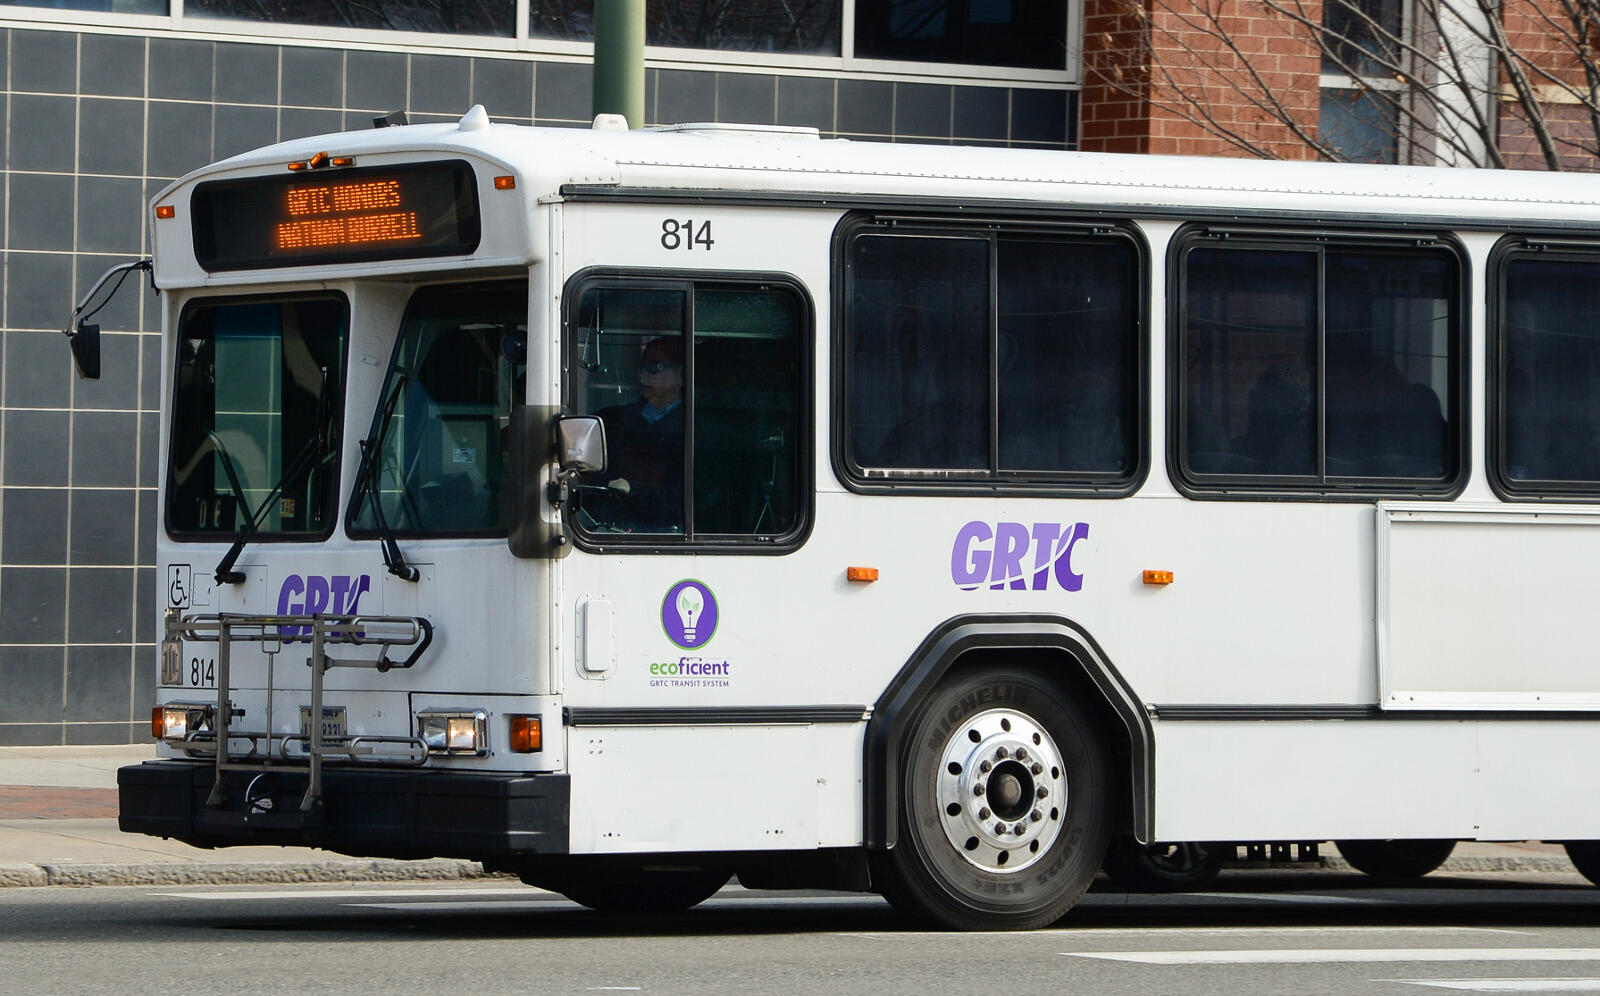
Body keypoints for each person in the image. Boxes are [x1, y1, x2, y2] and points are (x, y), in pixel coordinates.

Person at [588, 336, 685, 532]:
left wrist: (635, 490)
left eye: (655, 368)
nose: (643, 376)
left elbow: (691, 497)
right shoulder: (611, 420)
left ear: (680, 375)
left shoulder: (695, 429)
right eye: (641, 368)